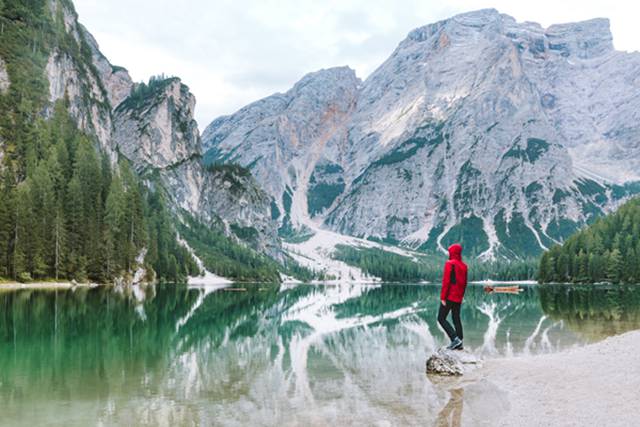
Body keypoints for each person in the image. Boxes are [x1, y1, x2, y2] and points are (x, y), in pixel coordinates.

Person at [437, 243, 468, 350]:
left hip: (449, 296)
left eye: (449, 251)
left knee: (441, 318)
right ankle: (460, 343)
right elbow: (464, 283)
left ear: (452, 252)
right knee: (456, 318)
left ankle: (455, 339)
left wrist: (442, 297)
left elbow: (446, 282)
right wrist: (461, 296)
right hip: (458, 297)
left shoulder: (450, 263)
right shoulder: (464, 266)